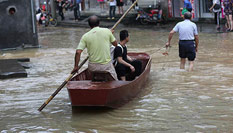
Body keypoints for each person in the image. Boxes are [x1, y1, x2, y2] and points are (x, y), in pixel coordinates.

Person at [72, 15, 118, 80]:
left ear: (89, 25)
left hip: (92, 67)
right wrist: (110, 34)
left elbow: (78, 52)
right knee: (115, 80)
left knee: (93, 72)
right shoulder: (107, 31)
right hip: (106, 66)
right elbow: (115, 44)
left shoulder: (85, 36)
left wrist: (76, 66)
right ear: (99, 23)